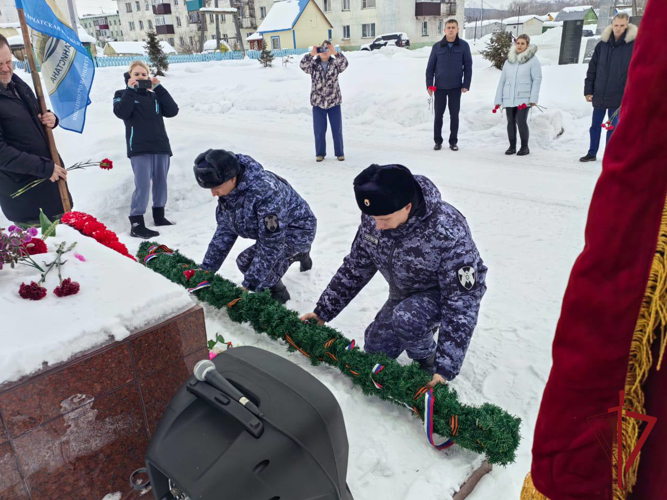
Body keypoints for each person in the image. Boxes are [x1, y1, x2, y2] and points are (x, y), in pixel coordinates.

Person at [301, 164, 487, 387]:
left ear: (407, 207)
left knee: (408, 318)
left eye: (385, 220)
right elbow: (356, 267)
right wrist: (323, 311)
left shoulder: (447, 230)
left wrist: (444, 366)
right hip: (403, 291)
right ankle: (417, 325)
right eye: (372, 217)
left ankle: (426, 358)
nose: (377, 226)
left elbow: (462, 301)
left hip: (441, 294)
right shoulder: (377, 216)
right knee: (375, 348)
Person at [194, 149, 317, 304]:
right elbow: (225, 231)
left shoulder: (265, 193)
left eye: (216, 187)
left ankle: (279, 292)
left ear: (232, 178)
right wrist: (207, 268)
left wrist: (248, 286)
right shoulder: (230, 192)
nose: (214, 194)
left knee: (246, 262)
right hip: (275, 234)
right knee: (257, 264)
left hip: (298, 231)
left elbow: (271, 244)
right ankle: (299, 255)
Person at [0, 35, 72, 226]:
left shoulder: (17, 84)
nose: (6, 69)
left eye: (8, 61)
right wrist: (45, 168)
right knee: (47, 255)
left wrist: (48, 118)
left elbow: (28, 120)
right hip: (29, 203)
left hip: (52, 191)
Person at [113, 60, 179, 238]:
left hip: (161, 146)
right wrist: (130, 90)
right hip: (139, 148)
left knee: (161, 183)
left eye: (144, 74)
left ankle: (159, 216)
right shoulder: (122, 93)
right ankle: (136, 224)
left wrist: (159, 88)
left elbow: (172, 111)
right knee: (142, 185)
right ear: (130, 76)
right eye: (136, 74)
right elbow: (121, 113)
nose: (140, 77)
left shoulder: (155, 95)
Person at [580, 13, 637, 163]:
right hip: (599, 93)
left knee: (613, 127)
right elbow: (592, 69)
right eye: (616, 25)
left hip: (618, 95)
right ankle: (592, 153)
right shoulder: (602, 45)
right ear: (612, 25)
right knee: (595, 126)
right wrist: (588, 90)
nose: (618, 29)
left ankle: (610, 156)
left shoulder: (632, 45)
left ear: (627, 25)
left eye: (622, 25)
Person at [426, 19, 472, 152]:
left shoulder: (464, 46)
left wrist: (466, 84)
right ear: (444, 30)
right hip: (439, 87)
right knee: (438, 116)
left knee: (454, 115)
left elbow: (468, 66)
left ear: (458, 29)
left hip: (456, 87)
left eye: (453, 27)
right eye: (448, 27)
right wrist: (429, 85)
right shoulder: (437, 47)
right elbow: (430, 68)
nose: (451, 29)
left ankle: (453, 142)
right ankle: (438, 141)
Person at [300, 41, 348, 163]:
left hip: (334, 102)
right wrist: (311, 54)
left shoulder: (335, 63)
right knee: (319, 130)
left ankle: (340, 153)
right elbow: (303, 65)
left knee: (337, 129)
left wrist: (336, 53)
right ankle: (320, 153)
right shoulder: (314, 64)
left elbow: (344, 64)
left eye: (327, 49)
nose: (324, 52)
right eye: (322, 49)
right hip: (318, 103)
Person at [494, 34, 542, 156]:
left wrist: (533, 98)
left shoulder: (532, 60)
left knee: (520, 120)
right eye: (518, 43)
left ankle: (525, 147)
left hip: (523, 99)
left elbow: (537, 79)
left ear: (527, 45)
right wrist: (498, 98)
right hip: (509, 97)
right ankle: (512, 146)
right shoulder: (509, 61)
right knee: (510, 121)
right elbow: (502, 81)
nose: (519, 46)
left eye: (522, 43)